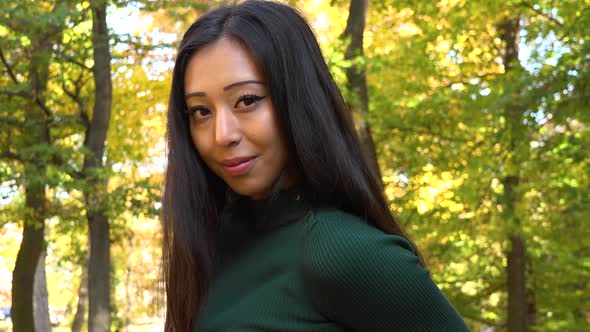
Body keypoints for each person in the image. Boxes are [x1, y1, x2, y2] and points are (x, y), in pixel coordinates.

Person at [161, 1, 470, 331]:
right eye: (201, 111)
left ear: (298, 98)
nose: (222, 134)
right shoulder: (212, 240)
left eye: (247, 100)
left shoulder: (342, 251)